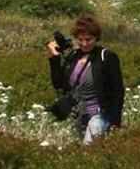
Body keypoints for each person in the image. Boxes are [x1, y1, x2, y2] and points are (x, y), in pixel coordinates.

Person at [48, 16, 124, 144]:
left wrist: (115, 122)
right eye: (80, 40)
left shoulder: (106, 57)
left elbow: (118, 90)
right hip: (78, 114)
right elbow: (58, 84)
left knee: (89, 150)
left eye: (88, 39)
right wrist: (55, 57)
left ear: (96, 38)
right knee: (80, 154)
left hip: (99, 113)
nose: (84, 44)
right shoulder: (73, 56)